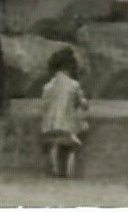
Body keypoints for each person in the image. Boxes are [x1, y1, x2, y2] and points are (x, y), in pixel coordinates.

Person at [40, 48, 90, 177]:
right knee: (73, 146)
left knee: (54, 143)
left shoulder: (48, 86)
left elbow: (44, 103)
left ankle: (55, 167)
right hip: (66, 126)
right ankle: (69, 170)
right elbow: (82, 102)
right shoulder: (74, 85)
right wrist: (84, 104)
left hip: (49, 126)